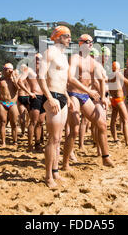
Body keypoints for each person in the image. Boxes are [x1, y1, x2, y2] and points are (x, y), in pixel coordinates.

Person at [65, 34, 114, 171]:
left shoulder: (94, 62)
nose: (90, 44)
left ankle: (105, 157)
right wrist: (89, 91)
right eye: (87, 41)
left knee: (102, 124)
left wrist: (103, 96)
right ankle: (65, 162)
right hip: (73, 94)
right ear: (80, 43)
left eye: (92, 42)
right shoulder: (75, 58)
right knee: (74, 129)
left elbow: (101, 79)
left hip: (85, 96)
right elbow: (70, 78)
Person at [37, 25, 72, 188]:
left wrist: (66, 96)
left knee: (59, 138)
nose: (70, 39)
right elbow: (41, 77)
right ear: (58, 37)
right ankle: (48, 176)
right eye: (67, 36)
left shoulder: (63, 56)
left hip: (61, 96)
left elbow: (62, 79)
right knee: (53, 138)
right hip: (52, 96)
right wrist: (50, 98)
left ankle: (56, 171)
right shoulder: (49, 52)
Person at [17, 53, 46, 152]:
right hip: (35, 96)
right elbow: (19, 81)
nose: (38, 60)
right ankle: (30, 145)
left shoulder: (44, 71)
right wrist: (29, 92)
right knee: (33, 122)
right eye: (36, 58)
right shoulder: (29, 70)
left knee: (41, 122)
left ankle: (37, 144)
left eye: (40, 59)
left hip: (44, 97)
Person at [108, 61, 128, 146]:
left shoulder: (110, 75)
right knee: (125, 120)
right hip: (119, 99)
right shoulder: (118, 74)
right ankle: (127, 141)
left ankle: (115, 138)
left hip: (113, 99)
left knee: (113, 120)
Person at [0, 63, 20, 147]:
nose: (8, 71)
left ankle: (15, 141)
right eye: (6, 69)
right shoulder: (1, 79)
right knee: (3, 122)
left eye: (9, 69)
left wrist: (13, 76)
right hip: (2, 103)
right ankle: (3, 142)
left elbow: (18, 88)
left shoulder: (14, 79)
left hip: (12, 103)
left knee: (14, 123)